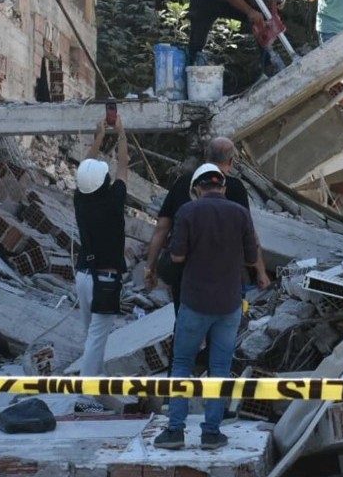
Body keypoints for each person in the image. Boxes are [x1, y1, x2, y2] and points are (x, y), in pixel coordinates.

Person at [153, 164, 260, 451]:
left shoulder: (188, 211)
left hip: (194, 303)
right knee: (220, 368)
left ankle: (175, 431)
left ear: (197, 189)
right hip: (229, 305)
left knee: (182, 365)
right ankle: (211, 433)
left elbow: (176, 256)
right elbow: (252, 256)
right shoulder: (240, 214)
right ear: (222, 187)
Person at [143, 137, 269, 312]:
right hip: (225, 273)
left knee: (186, 321)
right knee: (221, 326)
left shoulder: (182, 184)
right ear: (231, 161)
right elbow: (249, 233)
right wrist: (261, 272)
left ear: (205, 155)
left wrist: (149, 268)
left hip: (186, 275)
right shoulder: (235, 188)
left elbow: (161, 229)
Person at [73, 115, 129, 381]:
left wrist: (98, 138)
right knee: (96, 340)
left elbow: (85, 167)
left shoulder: (80, 200)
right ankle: (86, 397)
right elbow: (123, 168)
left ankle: (96, 382)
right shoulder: (113, 202)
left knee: (90, 337)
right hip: (105, 280)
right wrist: (121, 135)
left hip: (83, 275)